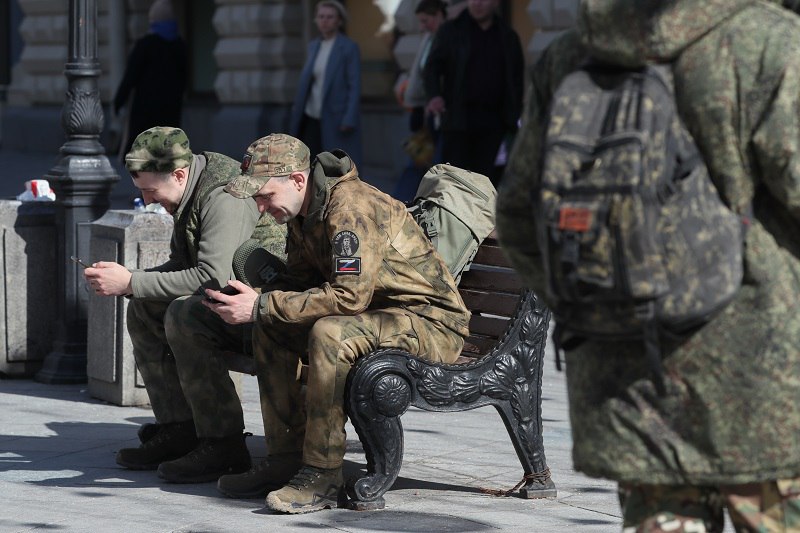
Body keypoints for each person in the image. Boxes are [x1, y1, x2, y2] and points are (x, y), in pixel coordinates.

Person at [496, 1, 800, 531]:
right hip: (761, 383)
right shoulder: (770, 42)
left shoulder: (571, 53)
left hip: (629, 382)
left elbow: (519, 217)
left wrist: (599, 303)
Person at [203, 133, 470, 513]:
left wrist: (262, 304)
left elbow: (348, 297)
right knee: (271, 325)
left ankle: (323, 474)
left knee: (330, 333)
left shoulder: (349, 209)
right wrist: (254, 297)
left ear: (297, 180)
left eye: (265, 195)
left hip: (430, 322)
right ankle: (285, 458)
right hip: (380, 316)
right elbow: (300, 282)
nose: (261, 208)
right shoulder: (303, 209)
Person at [84, 126, 287, 484]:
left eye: (150, 190)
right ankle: (180, 429)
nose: (147, 200)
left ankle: (223, 444)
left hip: (266, 312)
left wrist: (132, 281)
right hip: (232, 304)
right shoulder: (187, 189)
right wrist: (133, 282)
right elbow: (182, 266)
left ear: (179, 174)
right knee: (145, 307)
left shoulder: (223, 195)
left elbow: (212, 278)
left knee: (184, 313)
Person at [423, 0, 523, 185]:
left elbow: (516, 82)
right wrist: (435, 95)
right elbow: (432, 68)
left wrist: (514, 118)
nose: (477, 3)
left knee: (490, 184)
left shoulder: (507, 36)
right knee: (457, 184)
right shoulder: (451, 31)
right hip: (459, 123)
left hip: (495, 125)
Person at [288, 0, 363, 169]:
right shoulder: (313, 46)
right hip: (310, 115)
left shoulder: (349, 47)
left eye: (330, 17)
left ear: (339, 21)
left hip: (336, 116)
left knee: (336, 164)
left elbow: (354, 85)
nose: (324, 21)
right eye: (321, 16)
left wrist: (349, 117)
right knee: (310, 162)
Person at [113, 0, 187, 156]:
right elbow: (184, 77)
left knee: (145, 154)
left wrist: (118, 102)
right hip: (171, 108)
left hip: (146, 110)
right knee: (167, 151)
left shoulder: (146, 44)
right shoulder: (179, 45)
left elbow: (130, 76)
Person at [392, 0, 449, 204]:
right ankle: (406, 201)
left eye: (426, 21)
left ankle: (409, 201)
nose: (423, 26)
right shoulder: (429, 38)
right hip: (422, 111)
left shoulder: (445, 38)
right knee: (419, 159)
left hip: (436, 113)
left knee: (428, 162)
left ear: (438, 16)